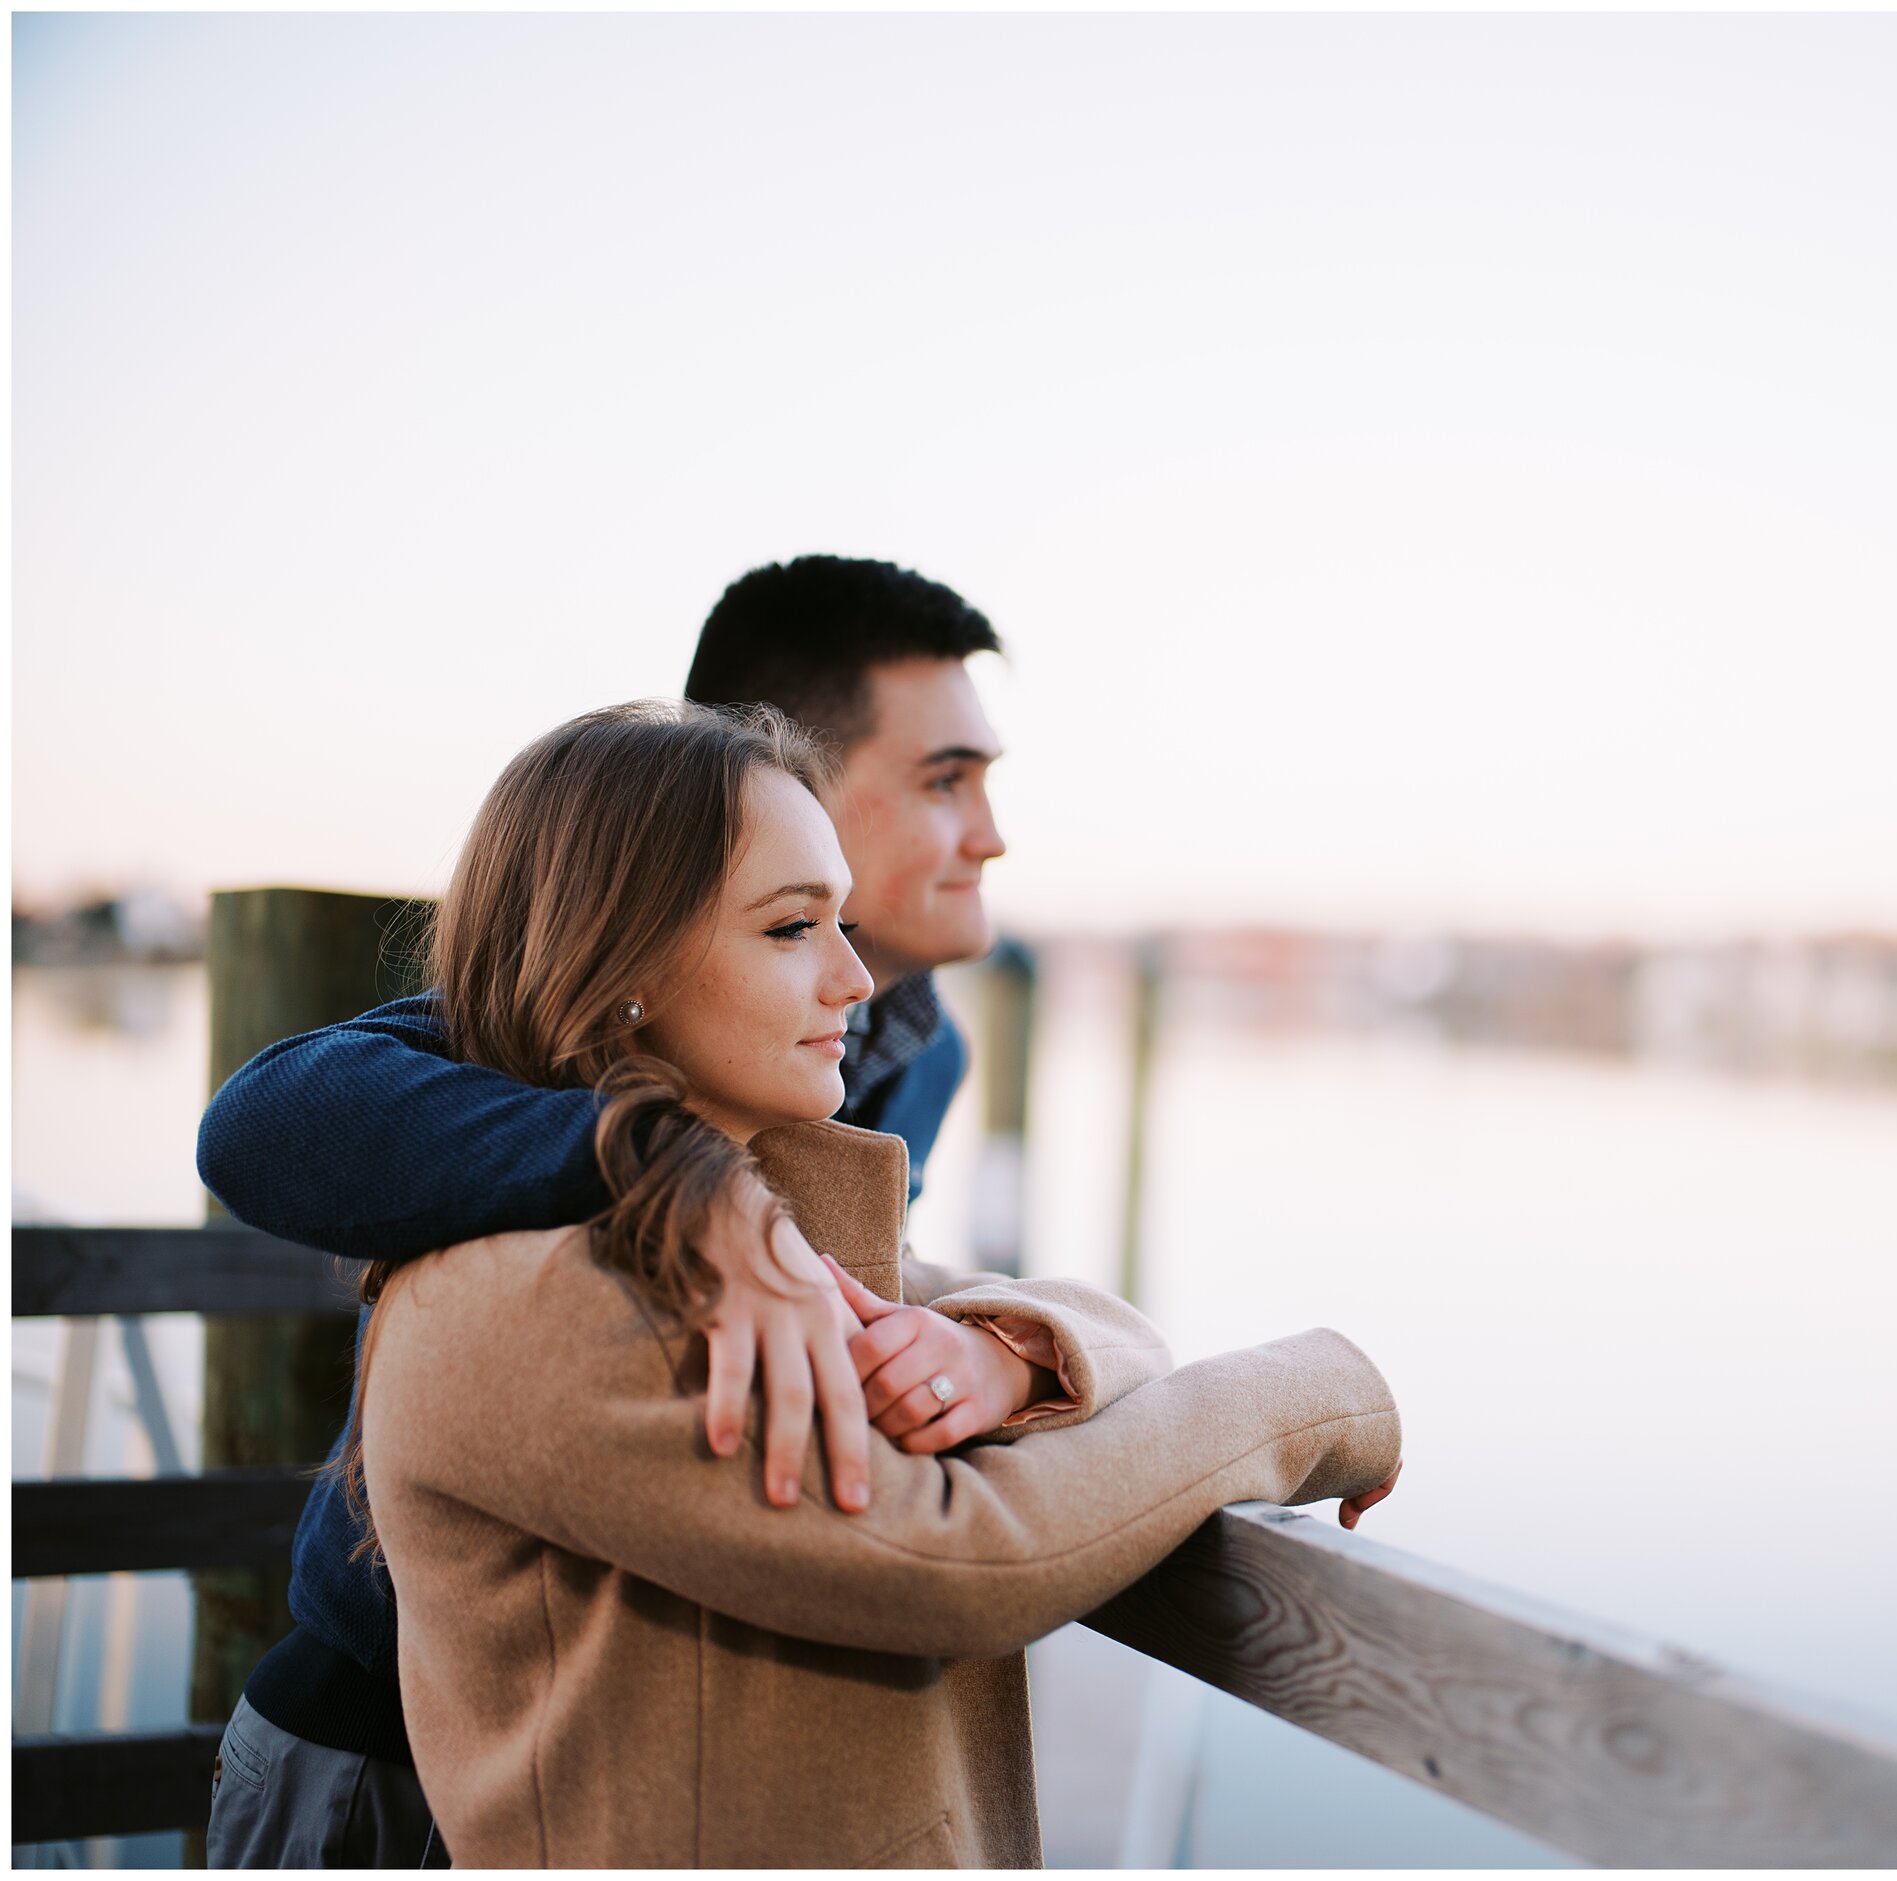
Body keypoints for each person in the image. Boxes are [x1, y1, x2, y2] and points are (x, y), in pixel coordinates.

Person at [342, 700, 1401, 1864]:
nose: (855, 978)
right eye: (793, 928)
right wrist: (1313, 1399)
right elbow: (953, 1566)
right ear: (624, 965)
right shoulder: (532, 1299)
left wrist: (1004, 1353)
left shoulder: (766, 1245)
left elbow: (1106, 1320)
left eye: (840, 920)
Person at [194, 556, 1012, 1864]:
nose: (990, 832)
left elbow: (861, 1288)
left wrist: (997, 1351)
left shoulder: (918, 1055)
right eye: (943, 779)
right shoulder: (556, 1022)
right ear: (772, 773)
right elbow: (265, 1118)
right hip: (389, 1744)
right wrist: (675, 1167)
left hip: (635, 1762)